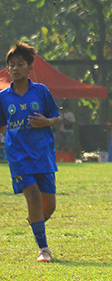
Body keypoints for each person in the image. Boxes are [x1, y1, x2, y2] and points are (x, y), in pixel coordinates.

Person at [0, 42, 62, 262]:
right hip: (18, 156)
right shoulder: (3, 97)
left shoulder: (41, 91)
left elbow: (57, 117)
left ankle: (36, 224)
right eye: (11, 65)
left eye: (20, 64)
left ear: (29, 67)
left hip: (42, 154)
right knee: (33, 197)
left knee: (49, 206)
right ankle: (43, 249)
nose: (15, 68)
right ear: (8, 69)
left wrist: (46, 121)